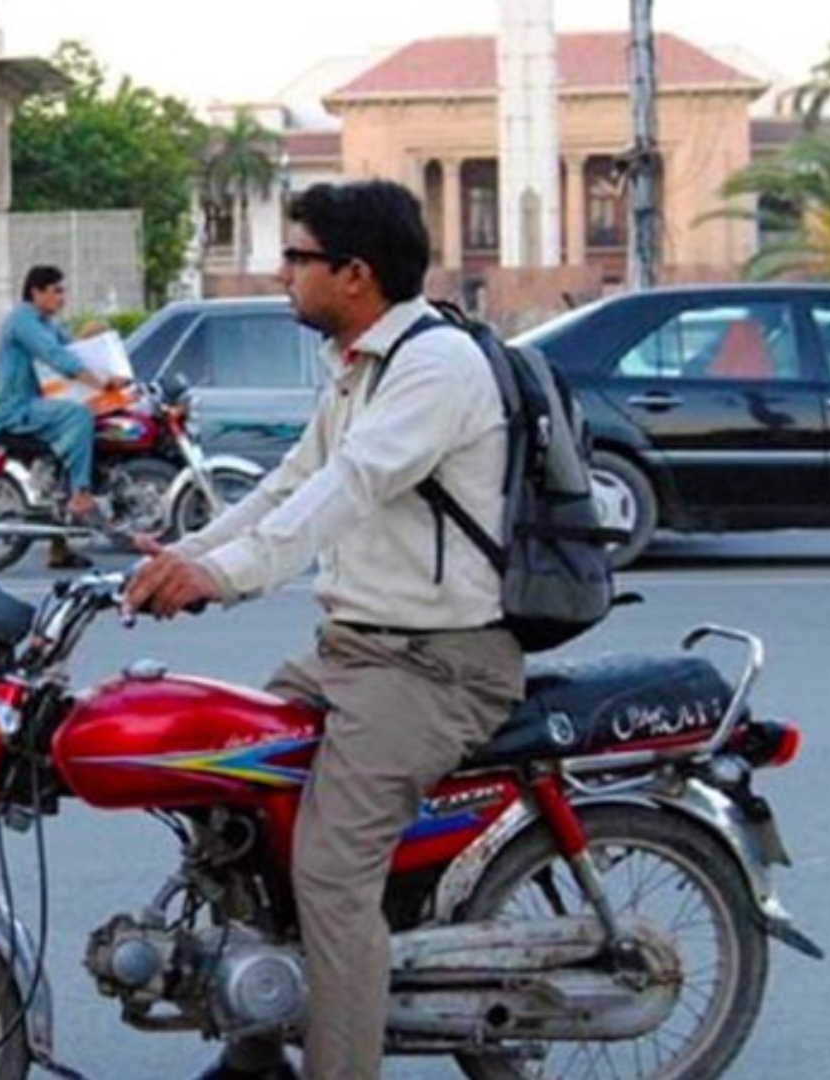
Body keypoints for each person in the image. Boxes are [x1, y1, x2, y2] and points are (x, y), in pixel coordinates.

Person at [123, 180, 525, 1080]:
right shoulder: (363, 366)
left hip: (435, 667)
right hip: (353, 653)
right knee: (230, 808)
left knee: (332, 872)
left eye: (299, 258)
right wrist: (176, 560)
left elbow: (345, 494)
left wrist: (220, 578)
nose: (283, 273)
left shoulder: (436, 367)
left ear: (354, 273)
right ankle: (256, 1045)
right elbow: (283, 487)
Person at [0, 265, 123, 569]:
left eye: (63, 291)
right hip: (16, 407)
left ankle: (59, 549)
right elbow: (57, 357)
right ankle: (82, 495)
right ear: (37, 292)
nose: (62, 298)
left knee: (72, 451)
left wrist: (106, 354)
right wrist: (99, 381)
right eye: (57, 291)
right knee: (79, 416)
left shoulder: (46, 322)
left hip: (36, 403)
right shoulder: (23, 320)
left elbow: (72, 348)